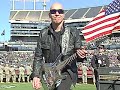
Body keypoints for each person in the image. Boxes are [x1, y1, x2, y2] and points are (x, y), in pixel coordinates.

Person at [32, 2, 86, 90]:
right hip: (49, 73)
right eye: (53, 11)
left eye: (60, 11)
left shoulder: (73, 32)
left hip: (67, 72)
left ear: (63, 14)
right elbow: (38, 57)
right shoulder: (43, 33)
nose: (57, 14)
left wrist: (81, 55)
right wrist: (36, 75)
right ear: (49, 15)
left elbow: (79, 55)